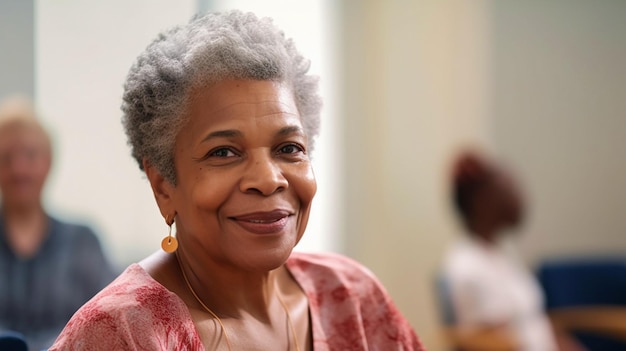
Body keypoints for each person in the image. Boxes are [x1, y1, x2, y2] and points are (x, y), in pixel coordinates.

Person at [50, 10, 423, 351]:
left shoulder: (352, 297)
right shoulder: (122, 333)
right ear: (163, 185)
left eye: (289, 148)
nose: (268, 179)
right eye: (224, 152)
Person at [0, 96, 117, 350]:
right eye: (7, 157)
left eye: (30, 156)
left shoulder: (83, 242)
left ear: (48, 163)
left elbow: (111, 317)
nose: (19, 169)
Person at [441, 151, 584, 351]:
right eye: (508, 188)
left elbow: (536, 324)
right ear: (481, 201)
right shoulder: (467, 268)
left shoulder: (500, 253)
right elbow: (487, 343)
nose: (520, 197)